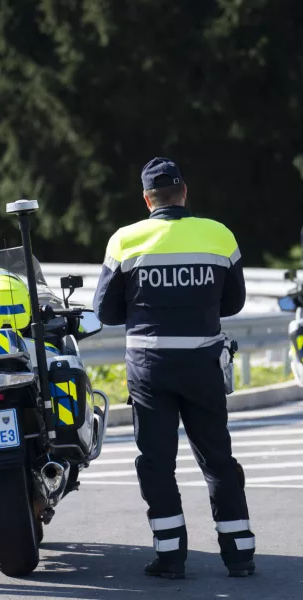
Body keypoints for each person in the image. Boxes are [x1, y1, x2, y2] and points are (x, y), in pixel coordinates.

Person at [93, 157, 255, 579]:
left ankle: (170, 557)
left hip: (150, 369)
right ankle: (239, 555)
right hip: (203, 361)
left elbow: (105, 312)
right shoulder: (219, 235)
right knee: (218, 459)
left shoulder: (125, 241)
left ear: (147, 199)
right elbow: (233, 302)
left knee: (156, 463)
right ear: (184, 192)